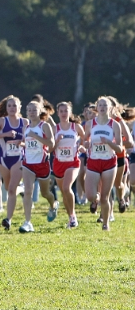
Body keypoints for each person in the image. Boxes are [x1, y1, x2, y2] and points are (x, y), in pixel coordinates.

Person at [0, 95, 28, 231]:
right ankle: (21, 189)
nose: (12, 108)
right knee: (8, 188)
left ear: (19, 107)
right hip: (3, 159)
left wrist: (20, 143)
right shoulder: (2, 122)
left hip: (18, 158)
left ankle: (8, 219)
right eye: (9, 106)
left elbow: (31, 142)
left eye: (14, 105)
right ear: (6, 107)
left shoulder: (25, 122)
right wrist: (4, 135)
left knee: (10, 190)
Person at [83, 97, 123, 231]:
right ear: (96, 108)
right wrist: (86, 144)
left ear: (110, 108)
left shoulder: (114, 124)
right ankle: (96, 198)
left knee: (106, 197)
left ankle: (106, 224)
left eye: (105, 105)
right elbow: (85, 140)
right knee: (90, 195)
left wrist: (109, 142)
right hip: (93, 161)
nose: (102, 107)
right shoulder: (90, 124)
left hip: (109, 162)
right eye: (99, 105)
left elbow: (120, 148)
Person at [18, 101, 56, 233]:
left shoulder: (44, 126)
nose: (31, 112)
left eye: (34, 110)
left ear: (40, 111)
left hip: (42, 163)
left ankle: (53, 205)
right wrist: (21, 144)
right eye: (29, 110)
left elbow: (51, 144)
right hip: (28, 163)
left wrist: (36, 137)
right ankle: (27, 222)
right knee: (27, 191)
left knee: (45, 193)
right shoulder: (26, 127)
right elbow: (28, 144)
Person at [53, 102, 85, 229]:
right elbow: (50, 149)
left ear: (70, 112)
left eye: (66, 111)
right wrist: (56, 141)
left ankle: (73, 217)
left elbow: (85, 139)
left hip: (73, 162)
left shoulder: (76, 127)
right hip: (59, 162)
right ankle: (70, 218)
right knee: (64, 193)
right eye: (61, 111)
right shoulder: (54, 129)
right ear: (58, 113)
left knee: (67, 188)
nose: (64, 113)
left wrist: (81, 146)